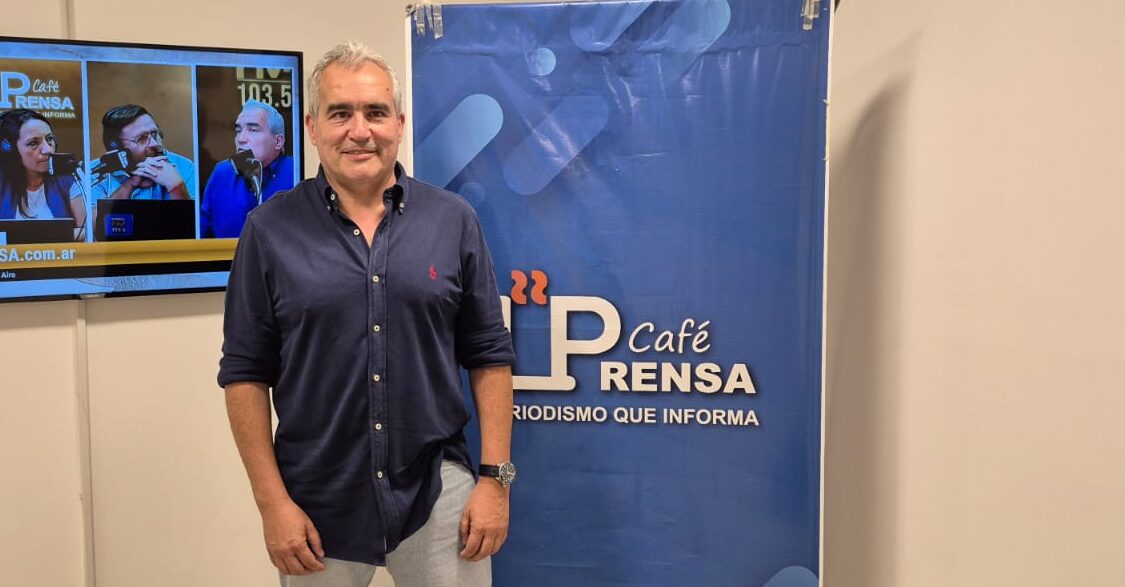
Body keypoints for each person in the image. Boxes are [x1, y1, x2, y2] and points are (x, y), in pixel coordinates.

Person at [218, 41, 516, 587]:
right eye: (340, 114)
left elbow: (489, 354)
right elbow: (244, 374)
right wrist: (271, 504)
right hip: (314, 500)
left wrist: (495, 481)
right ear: (313, 128)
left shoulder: (452, 221)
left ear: (399, 124)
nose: (360, 131)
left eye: (375, 112)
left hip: (437, 489)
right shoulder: (268, 231)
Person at [201, 99, 295, 238]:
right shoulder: (222, 174)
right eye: (238, 130)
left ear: (278, 141)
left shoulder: (297, 172)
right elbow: (201, 237)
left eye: (253, 130)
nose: (241, 139)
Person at [0, 108, 88, 240]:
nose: (47, 150)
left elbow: (88, 232)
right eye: (33, 143)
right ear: (10, 149)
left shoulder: (69, 179)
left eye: (50, 139)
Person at [90, 104, 196, 200]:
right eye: (141, 138)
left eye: (155, 134)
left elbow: (195, 216)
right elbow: (95, 216)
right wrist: (129, 185)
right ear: (117, 147)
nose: (154, 143)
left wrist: (176, 187)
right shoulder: (95, 174)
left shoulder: (185, 166)